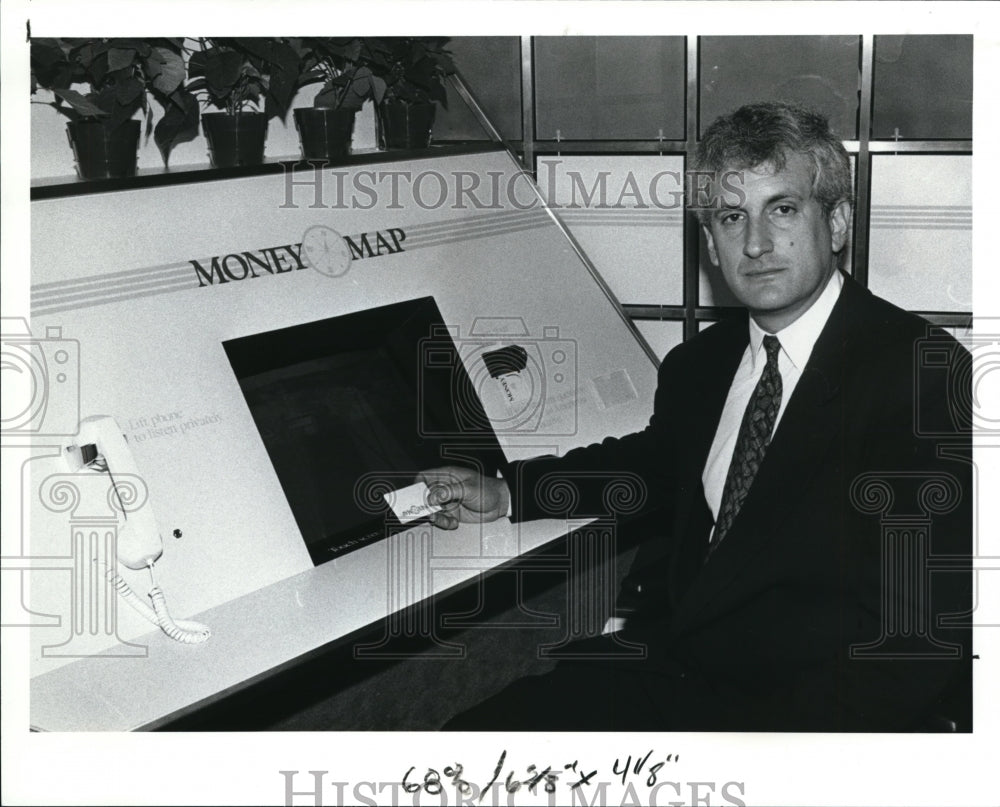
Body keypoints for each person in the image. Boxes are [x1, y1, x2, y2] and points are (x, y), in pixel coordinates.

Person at [419, 102, 972, 732]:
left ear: (838, 221)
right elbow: (655, 467)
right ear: (710, 241)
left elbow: (917, 643)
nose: (757, 243)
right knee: (465, 747)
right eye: (732, 217)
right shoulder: (700, 365)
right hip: (679, 669)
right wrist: (509, 490)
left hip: (810, 713)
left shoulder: (917, 371)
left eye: (783, 209)